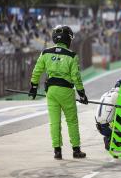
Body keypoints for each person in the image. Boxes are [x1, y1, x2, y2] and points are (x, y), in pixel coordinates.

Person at [29, 25, 88, 160]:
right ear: (68, 39)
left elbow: (37, 71)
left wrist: (33, 86)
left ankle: (57, 151)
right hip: (66, 91)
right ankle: (76, 150)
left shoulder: (45, 53)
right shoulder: (72, 56)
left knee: (54, 122)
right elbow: (76, 77)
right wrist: (82, 94)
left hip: (51, 91)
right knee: (72, 121)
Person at [95, 79, 121, 151]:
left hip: (99, 126)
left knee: (120, 115)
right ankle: (111, 140)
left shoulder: (106, 94)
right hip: (107, 127)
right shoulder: (117, 95)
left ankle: (116, 140)